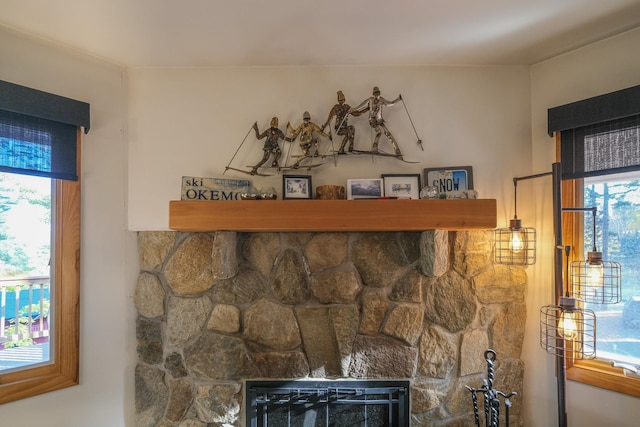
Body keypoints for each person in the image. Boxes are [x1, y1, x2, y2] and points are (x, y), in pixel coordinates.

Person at [350, 86, 402, 156]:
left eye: (378, 93)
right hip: (373, 121)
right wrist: (353, 109)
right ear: (373, 94)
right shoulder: (370, 100)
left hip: (380, 120)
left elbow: (390, 103)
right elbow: (360, 106)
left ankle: (397, 151)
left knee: (388, 134)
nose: (377, 95)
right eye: (376, 94)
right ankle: (374, 148)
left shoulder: (381, 100)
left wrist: (398, 99)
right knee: (380, 131)